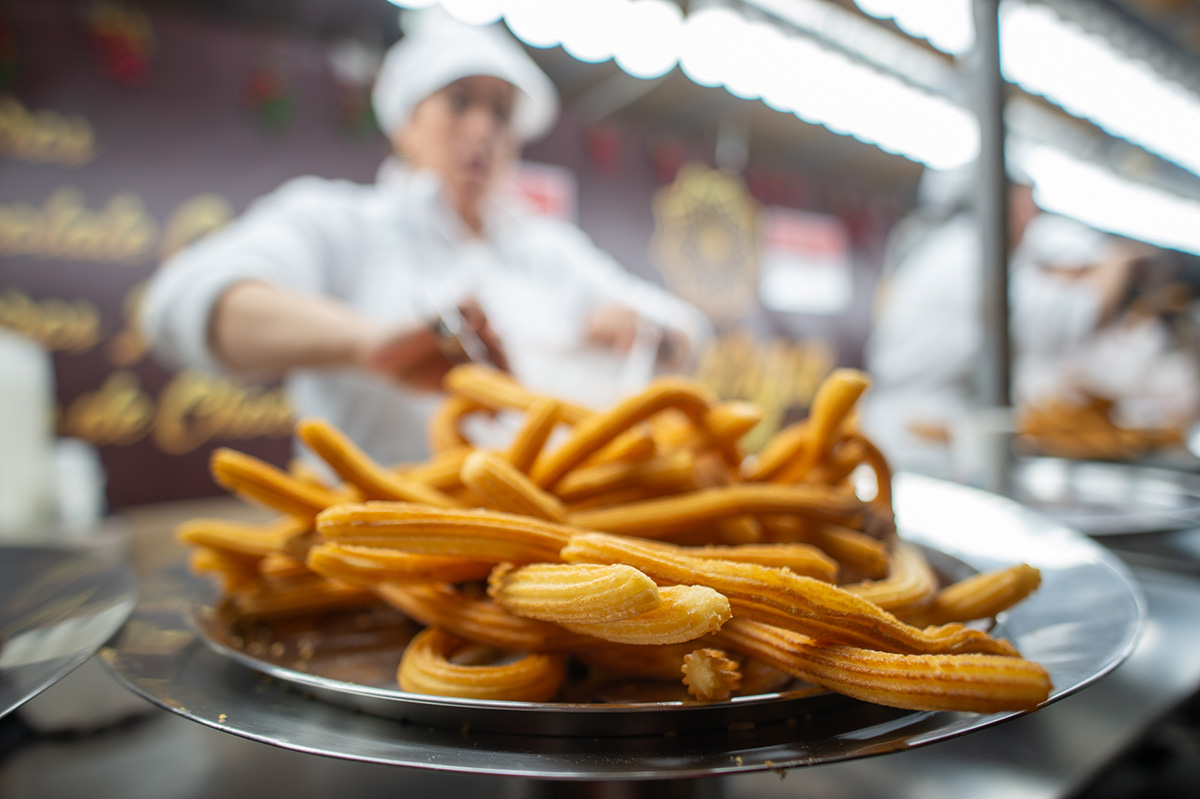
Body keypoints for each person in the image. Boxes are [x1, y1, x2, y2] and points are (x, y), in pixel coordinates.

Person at [141, 11, 712, 467]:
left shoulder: (549, 250)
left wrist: (652, 332)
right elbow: (180, 304)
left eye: (501, 111)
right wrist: (368, 343)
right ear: (406, 123)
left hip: (542, 539)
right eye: (460, 101)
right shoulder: (340, 222)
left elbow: (691, 333)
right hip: (375, 547)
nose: (483, 127)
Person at [859, 160, 1147, 475]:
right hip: (915, 436)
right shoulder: (971, 253)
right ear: (1000, 198)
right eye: (1027, 202)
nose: (1033, 217)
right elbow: (1072, 317)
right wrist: (1119, 258)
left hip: (925, 428)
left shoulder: (952, 248)